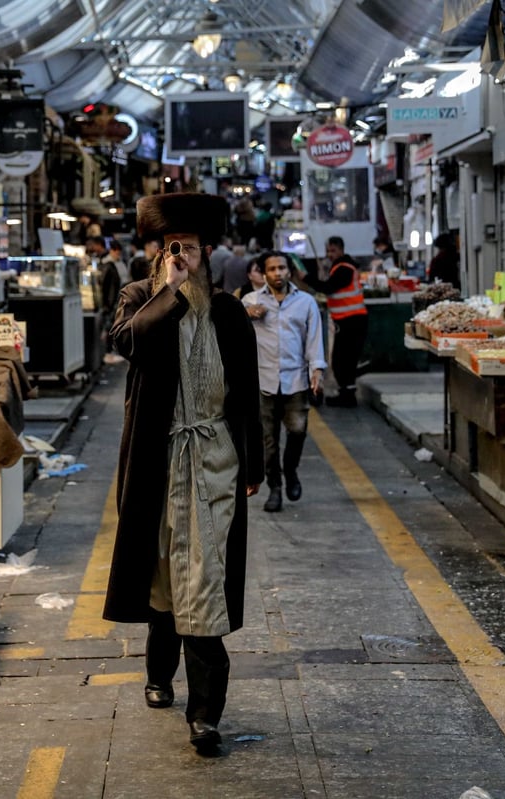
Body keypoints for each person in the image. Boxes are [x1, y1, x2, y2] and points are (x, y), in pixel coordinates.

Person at [103, 192, 263, 755]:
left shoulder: (227, 311)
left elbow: (247, 393)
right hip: (155, 459)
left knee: (204, 578)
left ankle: (205, 715)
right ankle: (156, 672)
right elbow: (126, 342)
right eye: (176, 249)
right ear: (159, 253)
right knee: (163, 575)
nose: (185, 258)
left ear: (208, 252)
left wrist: (255, 461)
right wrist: (169, 289)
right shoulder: (140, 298)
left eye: (193, 250)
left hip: (215, 458)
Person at [242, 252, 326, 513]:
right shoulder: (250, 301)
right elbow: (233, 334)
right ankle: (275, 488)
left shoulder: (306, 303)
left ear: (290, 271)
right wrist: (246, 315)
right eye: (272, 269)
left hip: (296, 380)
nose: (278, 273)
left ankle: (291, 470)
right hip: (263, 379)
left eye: (282, 268)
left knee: (298, 431)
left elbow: (313, 339)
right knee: (268, 440)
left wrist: (317, 370)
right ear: (264, 273)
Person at [297, 236, 368, 407]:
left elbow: (328, 287)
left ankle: (348, 396)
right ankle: (346, 393)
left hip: (352, 321)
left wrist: (305, 278)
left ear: (341, 250)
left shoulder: (344, 268)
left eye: (333, 251)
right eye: (328, 251)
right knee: (342, 359)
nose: (330, 254)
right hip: (347, 321)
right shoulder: (341, 267)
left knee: (344, 360)